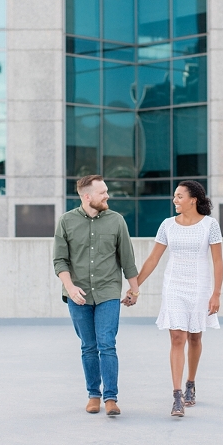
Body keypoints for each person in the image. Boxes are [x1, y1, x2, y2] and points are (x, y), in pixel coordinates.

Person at [53, 175, 141, 417]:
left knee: (107, 344)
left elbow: (127, 260)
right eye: (102, 192)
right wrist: (70, 288)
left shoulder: (117, 221)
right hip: (78, 294)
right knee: (88, 346)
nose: (107, 196)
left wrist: (134, 290)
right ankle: (93, 394)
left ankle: (111, 398)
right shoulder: (66, 222)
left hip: (107, 292)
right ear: (87, 196)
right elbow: (60, 260)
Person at [137, 180, 223, 417]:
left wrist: (216, 294)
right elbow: (153, 259)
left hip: (200, 287)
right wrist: (135, 285)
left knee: (195, 338)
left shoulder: (210, 225)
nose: (174, 200)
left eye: (179, 196)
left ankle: (190, 383)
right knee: (177, 337)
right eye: (174, 196)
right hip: (174, 286)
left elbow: (217, 261)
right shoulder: (167, 225)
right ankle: (177, 395)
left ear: (193, 199)